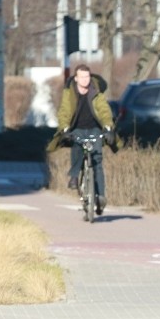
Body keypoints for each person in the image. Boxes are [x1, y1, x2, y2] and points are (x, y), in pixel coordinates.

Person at [47, 64, 121, 215]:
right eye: (82, 77)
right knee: (77, 147)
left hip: (94, 128)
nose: (85, 80)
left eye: (87, 76)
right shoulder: (70, 93)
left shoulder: (96, 91)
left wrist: (108, 127)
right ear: (76, 78)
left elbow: (104, 110)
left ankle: (100, 196)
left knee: (97, 160)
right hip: (77, 128)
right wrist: (65, 129)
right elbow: (65, 111)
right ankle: (74, 176)